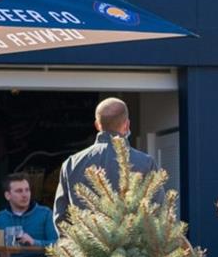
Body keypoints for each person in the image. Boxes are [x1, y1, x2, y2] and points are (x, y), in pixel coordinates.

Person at [53, 97, 157, 227]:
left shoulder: (71, 164)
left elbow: (61, 218)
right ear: (127, 124)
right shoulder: (145, 163)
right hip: (135, 245)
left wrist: (76, 245)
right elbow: (157, 212)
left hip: (85, 245)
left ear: (97, 125)